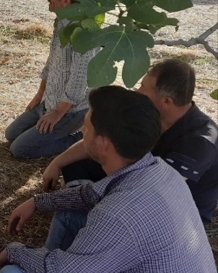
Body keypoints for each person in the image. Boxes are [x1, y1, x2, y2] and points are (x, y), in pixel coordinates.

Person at [0, 86, 217, 273]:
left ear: (103, 144)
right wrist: (38, 202)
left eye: (87, 128)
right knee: (70, 216)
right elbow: (92, 194)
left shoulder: (118, 215)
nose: (82, 132)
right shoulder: (159, 170)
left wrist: (16, 251)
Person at [42, 59, 218, 224]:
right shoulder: (151, 114)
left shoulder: (200, 141)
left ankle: (88, 215)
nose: (137, 92)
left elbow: (153, 192)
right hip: (138, 180)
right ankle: (86, 208)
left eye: (143, 87)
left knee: (74, 213)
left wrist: (89, 196)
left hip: (173, 213)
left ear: (166, 101)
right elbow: (97, 139)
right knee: (75, 164)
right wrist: (57, 163)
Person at [4, 0, 98, 158]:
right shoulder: (61, 22)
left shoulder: (84, 32)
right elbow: (51, 62)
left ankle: (81, 139)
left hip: (70, 111)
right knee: (11, 134)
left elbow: (79, 80)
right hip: (48, 102)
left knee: (20, 149)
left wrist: (57, 113)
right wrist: (40, 95)